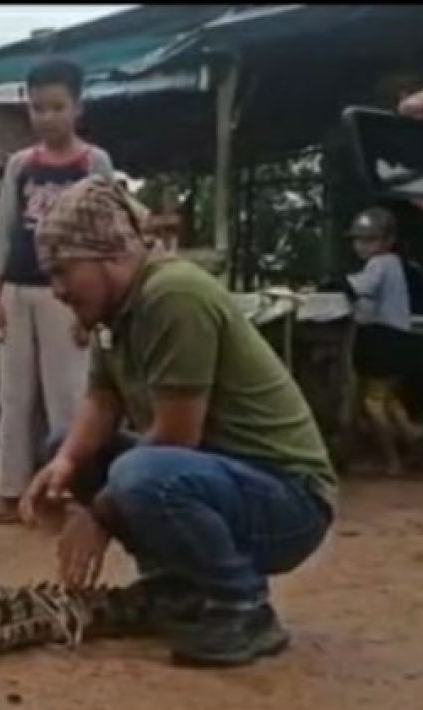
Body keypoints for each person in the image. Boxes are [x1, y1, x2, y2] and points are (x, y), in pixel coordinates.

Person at [22, 176, 336, 667]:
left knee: (139, 475)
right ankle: (180, 587)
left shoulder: (173, 295)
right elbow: (102, 400)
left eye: (63, 271)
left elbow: (177, 436)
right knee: (73, 445)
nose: (57, 290)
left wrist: (100, 516)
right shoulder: (115, 314)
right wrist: (64, 464)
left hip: (289, 500)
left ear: (107, 254)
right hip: (216, 479)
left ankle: (243, 606)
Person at [0, 57, 114, 526]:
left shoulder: (93, 162)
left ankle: (71, 494)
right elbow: (3, 230)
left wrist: (95, 312)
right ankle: (8, 492)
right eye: (38, 108)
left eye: (57, 107)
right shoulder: (20, 165)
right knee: (15, 396)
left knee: (68, 394)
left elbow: (108, 233)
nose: (47, 117)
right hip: (19, 288)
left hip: (68, 295)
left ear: (78, 107)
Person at [341, 207, 422, 474]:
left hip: (383, 340)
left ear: (388, 241)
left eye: (370, 239)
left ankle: (393, 461)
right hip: (398, 339)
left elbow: (359, 287)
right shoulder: (396, 264)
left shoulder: (381, 263)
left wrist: (337, 284)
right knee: (388, 401)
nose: (362, 246)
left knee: (372, 404)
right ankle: (412, 442)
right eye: (358, 239)